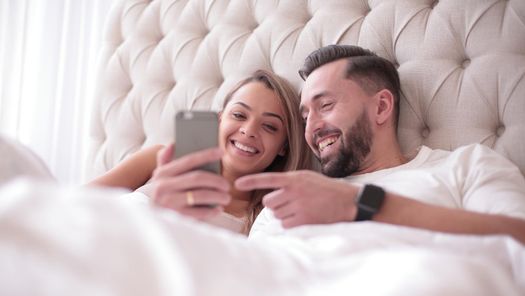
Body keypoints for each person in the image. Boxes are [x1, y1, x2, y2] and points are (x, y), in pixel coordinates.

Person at [235, 45, 525, 243]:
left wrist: (365, 206)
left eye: (325, 105)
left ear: (382, 107)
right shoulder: (285, 200)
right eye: (305, 116)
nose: (310, 128)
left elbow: (518, 240)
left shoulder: (464, 167)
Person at [88, 70, 313, 234]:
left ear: (284, 146)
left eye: (269, 127)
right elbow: (75, 203)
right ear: (219, 120)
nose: (249, 131)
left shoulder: (265, 221)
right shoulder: (161, 160)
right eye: (239, 115)